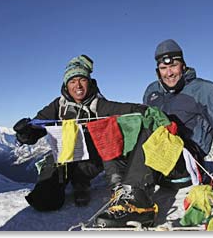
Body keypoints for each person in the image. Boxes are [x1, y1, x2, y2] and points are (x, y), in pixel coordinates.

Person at [94, 39, 213, 228]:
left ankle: (139, 207)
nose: (169, 72)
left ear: (183, 65)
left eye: (174, 66)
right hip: (159, 165)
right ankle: (123, 191)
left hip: (185, 162)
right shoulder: (152, 91)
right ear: (158, 70)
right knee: (114, 133)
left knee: (153, 132)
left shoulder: (206, 91)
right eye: (163, 68)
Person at [13, 54, 148, 211]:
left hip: (90, 160)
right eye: (72, 81)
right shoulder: (59, 106)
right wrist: (25, 133)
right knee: (45, 201)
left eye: (82, 80)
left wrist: (141, 109)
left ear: (89, 83)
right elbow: (37, 127)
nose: (78, 85)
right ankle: (57, 188)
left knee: (107, 136)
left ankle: (82, 183)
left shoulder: (98, 104)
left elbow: (121, 109)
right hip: (64, 158)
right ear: (66, 85)